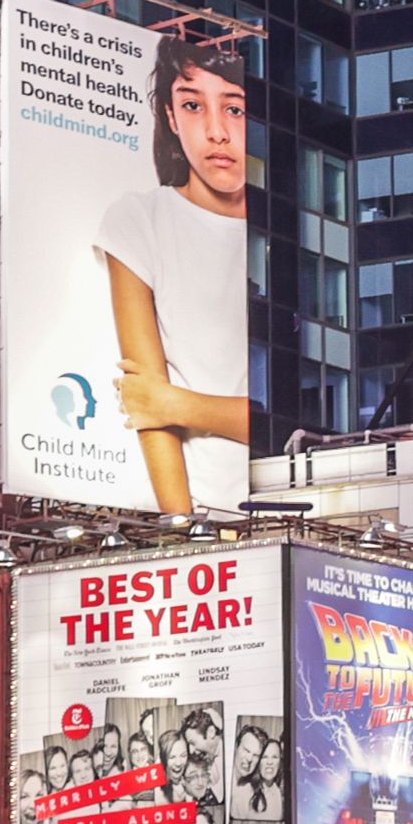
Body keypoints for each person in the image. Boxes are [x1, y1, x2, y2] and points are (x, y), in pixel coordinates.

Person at [97, 30, 254, 514]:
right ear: (169, 115)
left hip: (308, 502)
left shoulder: (295, 234)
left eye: (234, 108)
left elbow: (294, 421)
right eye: (192, 106)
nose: (216, 132)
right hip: (202, 515)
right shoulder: (141, 219)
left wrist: (177, 404)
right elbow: (145, 399)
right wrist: (183, 528)